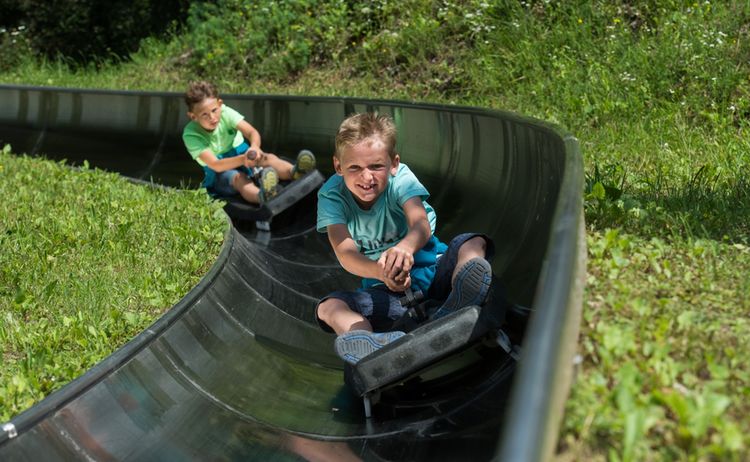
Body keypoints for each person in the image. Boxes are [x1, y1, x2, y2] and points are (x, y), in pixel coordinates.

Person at [316, 112, 495, 365]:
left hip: (435, 271)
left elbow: (420, 223)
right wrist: (382, 273)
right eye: (354, 167)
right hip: (388, 294)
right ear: (338, 167)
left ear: (393, 163)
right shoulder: (332, 196)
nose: (366, 177)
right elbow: (345, 253)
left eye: (376, 166)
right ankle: (367, 344)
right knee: (328, 306)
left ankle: (460, 295)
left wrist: (405, 249)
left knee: (472, 242)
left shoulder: (400, 180)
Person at [182, 80, 316, 204]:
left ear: (220, 104)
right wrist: (242, 160)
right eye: (204, 114)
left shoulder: (225, 113)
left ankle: (295, 172)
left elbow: (252, 132)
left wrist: (254, 147)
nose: (212, 117)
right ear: (193, 116)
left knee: (267, 158)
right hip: (220, 171)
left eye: (214, 110)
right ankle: (262, 195)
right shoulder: (191, 134)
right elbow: (215, 165)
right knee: (238, 179)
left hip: (242, 153)